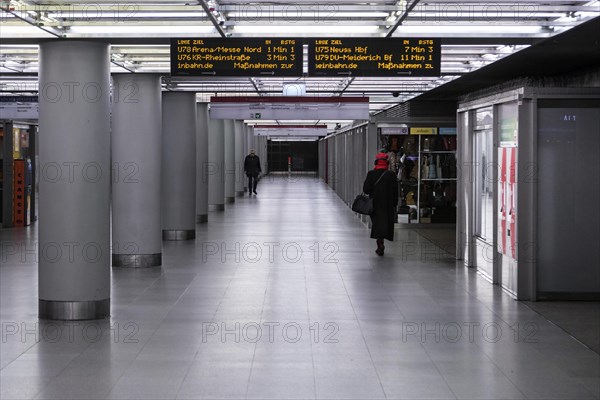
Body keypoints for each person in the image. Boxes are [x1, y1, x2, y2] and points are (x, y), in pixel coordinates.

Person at [363, 152, 399, 256]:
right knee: (385, 223)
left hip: (375, 204)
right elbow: (395, 191)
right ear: (386, 162)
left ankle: (380, 243)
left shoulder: (371, 174)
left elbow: (366, 190)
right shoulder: (391, 175)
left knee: (377, 224)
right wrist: (395, 204)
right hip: (388, 204)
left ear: (376, 162)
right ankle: (381, 242)